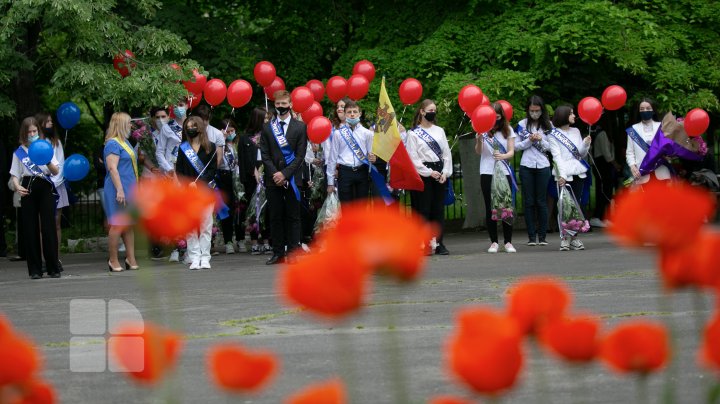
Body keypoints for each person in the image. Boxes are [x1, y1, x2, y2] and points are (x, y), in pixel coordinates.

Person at [259, 90, 307, 265]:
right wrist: (276, 174)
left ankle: (294, 252)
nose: (280, 107)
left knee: (293, 217)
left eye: (284, 104)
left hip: (293, 179)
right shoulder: (267, 128)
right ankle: (278, 252)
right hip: (273, 179)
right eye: (278, 104)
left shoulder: (300, 127)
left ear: (291, 105)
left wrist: (285, 174)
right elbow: (265, 154)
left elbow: (300, 156)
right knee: (275, 216)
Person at [9, 117, 61, 279]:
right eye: (29, 132)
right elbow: (15, 175)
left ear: (38, 131)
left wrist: (46, 160)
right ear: (24, 133)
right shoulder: (19, 152)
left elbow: (55, 171)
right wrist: (18, 187)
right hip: (27, 187)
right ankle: (35, 269)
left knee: (48, 227)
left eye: (34, 131)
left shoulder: (45, 147)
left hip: (44, 186)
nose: (32, 134)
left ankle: (53, 267)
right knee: (30, 229)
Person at [406, 99, 452, 256]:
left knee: (438, 209)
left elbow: (446, 154)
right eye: (430, 110)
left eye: (435, 110)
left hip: (439, 171)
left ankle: (439, 243)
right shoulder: (413, 133)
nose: (433, 113)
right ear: (422, 112)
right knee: (424, 209)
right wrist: (428, 172)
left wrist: (445, 172)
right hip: (423, 173)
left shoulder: (439, 131)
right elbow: (413, 158)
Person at [175, 116, 217, 270]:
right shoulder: (183, 148)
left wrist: (199, 183)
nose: (190, 128)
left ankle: (205, 257)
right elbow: (179, 171)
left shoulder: (210, 147)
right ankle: (194, 257)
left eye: (193, 126)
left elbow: (212, 171)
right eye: (188, 126)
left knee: (206, 224)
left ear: (199, 127)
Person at [475, 102, 517, 254]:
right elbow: (479, 152)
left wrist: (503, 156)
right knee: (490, 207)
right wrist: (479, 139)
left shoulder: (508, 131)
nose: (495, 121)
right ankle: (494, 241)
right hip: (487, 172)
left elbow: (512, 151)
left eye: (498, 117)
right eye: (493, 118)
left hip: (504, 171)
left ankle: (508, 242)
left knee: (506, 207)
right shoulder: (482, 130)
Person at [549, 105, 591, 251]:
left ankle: (575, 238)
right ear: (564, 115)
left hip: (577, 171)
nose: (574, 116)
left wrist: (586, 144)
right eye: (572, 113)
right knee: (564, 206)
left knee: (576, 205)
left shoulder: (576, 131)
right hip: (563, 173)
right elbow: (557, 156)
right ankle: (564, 238)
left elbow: (580, 154)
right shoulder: (553, 134)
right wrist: (562, 175)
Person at [103, 112, 139, 272]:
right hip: (119, 189)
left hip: (128, 188)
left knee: (129, 225)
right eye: (129, 122)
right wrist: (120, 190)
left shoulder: (125, 142)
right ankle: (113, 259)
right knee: (117, 225)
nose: (131, 125)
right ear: (121, 125)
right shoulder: (112, 143)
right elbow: (112, 168)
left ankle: (131, 258)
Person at [515, 96, 553, 247]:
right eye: (532, 110)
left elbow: (552, 147)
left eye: (537, 111)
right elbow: (516, 147)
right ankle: (531, 236)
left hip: (543, 165)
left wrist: (540, 140)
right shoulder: (522, 125)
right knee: (529, 202)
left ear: (542, 110)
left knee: (541, 201)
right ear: (528, 110)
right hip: (527, 165)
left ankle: (542, 236)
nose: (534, 113)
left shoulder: (548, 125)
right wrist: (529, 140)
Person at [35, 112, 68, 270]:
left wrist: (54, 182)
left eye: (51, 121)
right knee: (43, 225)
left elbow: (60, 164)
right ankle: (43, 259)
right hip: (42, 185)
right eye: (47, 121)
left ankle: (56, 258)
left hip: (57, 185)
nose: (50, 124)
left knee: (56, 224)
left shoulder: (56, 142)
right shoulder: (35, 143)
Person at [156, 99, 187, 262]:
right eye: (176, 105)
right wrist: (168, 169)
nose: (179, 108)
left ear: (188, 105)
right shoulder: (167, 128)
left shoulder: (192, 125)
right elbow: (159, 152)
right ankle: (175, 247)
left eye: (182, 104)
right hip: (171, 174)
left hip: (188, 173)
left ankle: (189, 249)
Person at [325, 100, 374, 203]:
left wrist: (373, 159)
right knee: (346, 208)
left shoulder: (368, 133)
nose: (352, 114)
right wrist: (330, 183)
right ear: (345, 114)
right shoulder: (338, 134)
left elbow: (371, 155)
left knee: (361, 208)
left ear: (360, 113)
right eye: (349, 112)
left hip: (362, 172)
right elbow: (332, 159)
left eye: (355, 112)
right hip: (345, 172)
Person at [238, 107, 271, 254]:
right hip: (252, 179)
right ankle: (253, 241)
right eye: (264, 118)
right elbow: (243, 160)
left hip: (268, 176)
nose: (267, 121)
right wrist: (252, 172)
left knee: (267, 209)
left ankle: (266, 240)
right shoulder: (245, 138)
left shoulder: (269, 136)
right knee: (253, 209)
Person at [626, 98, 667, 185]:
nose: (645, 111)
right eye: (642, 109)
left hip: (661, 172)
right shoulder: (633, 130)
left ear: (653, 110)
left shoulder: (662, 127)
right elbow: (629, 153)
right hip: (642, 175)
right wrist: (633, 167)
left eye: (648, 108)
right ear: (639, 112)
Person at [217, 118, 242, 254]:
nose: (230, 133)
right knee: (227, 210)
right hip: (224, 178)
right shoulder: (219, 144)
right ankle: (228, 241)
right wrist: (221, 140)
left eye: (232, 131)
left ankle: (240, 238)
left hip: (238, 179)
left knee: (239, 208)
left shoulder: (238, 144)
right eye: (227, 131)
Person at [590, 125, 620, 227]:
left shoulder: (602, 134)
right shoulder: (602, 134)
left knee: (607, 189)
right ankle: (599, 216)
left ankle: (604, 216)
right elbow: (606, 153)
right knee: (604, 189)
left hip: (604, 164)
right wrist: (615, 164)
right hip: (602, 164)